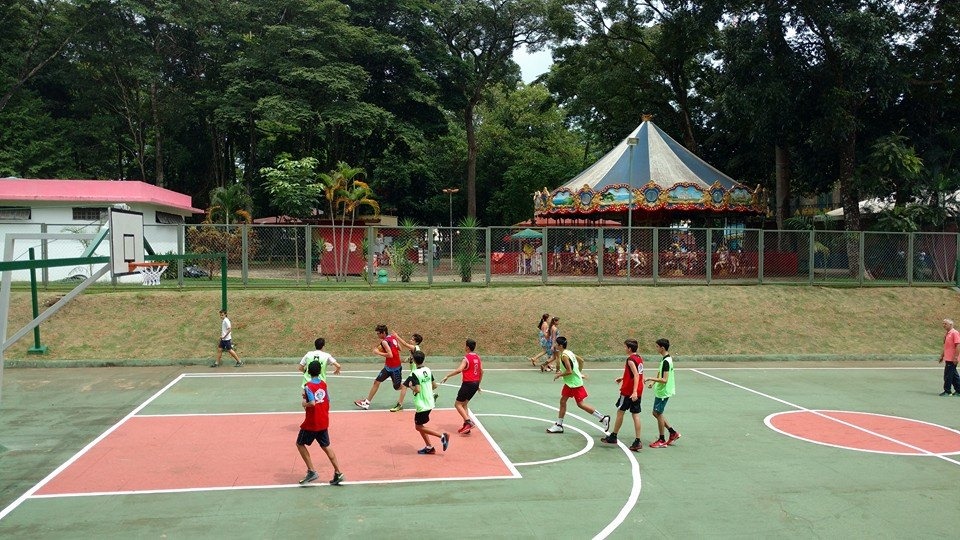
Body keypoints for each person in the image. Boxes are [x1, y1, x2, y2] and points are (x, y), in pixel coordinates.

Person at [545, 336, 610, 434]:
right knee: (563, 401)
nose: (554, 345)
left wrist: (559, 375)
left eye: (556, 344)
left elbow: (569, 371)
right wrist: (579, 373)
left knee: (580, 404)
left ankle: (603, 418)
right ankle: (559, 425)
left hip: (574, 384)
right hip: (570, 383)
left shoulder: (564, 356)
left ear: (560, 345)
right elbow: (581, 361)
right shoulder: (569, 352)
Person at [296, 360, 345, 485]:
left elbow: (312, 403)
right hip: (323, 420)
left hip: (312, 422)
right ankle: (338, 472)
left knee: (300, 444)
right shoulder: (323, 384)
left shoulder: (308, 386)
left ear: (308, 371)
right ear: (319, 371)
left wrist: (304, 403)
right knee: (326, 447)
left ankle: (311, 470)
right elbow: (326, 399)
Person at [601, 339, 644, 451]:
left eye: (625, 347)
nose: (624, 349)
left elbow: (636, 375)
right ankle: (638, 440)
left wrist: (633, 391)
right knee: (635, 414)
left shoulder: (630, 360)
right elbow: (635, 374)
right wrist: (623, 377)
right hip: (638, 390)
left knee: (620, 412)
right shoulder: (638, 358)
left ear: (629, 348)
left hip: (628, 392)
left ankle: (613, 436)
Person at [404, 350, 449, 454]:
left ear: (414, 361)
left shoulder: (415, 373)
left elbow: (418, 390)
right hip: (430, 401)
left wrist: (411, 386)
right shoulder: (428, 370)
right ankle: (429, 447)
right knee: (421, 426)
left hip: (422, 404)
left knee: (418, 427)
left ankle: (442, 436)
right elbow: (434, 386)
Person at [354, 324, 403, 410]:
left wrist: (378, 352)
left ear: (383, 333)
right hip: (388, 367)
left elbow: (390, 355)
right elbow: (400, 348)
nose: (377, 335)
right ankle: (367, 403)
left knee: (397, 387)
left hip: (395, 368)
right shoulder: (392, 337)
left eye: (378, 333)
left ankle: (412, 386)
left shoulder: (384, 342)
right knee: (377, 382)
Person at [441, 338, 483, 435]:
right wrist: (478, 385)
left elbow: (459, 370)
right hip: (475, 383)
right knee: (464, 404)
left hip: (468, 384)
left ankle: (468, 422)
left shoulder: (466, 358)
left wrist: (448, 375)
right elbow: (481, 371)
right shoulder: (477, 357)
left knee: (457, 404)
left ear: (467, 347)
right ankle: (466, 427)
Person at [646, 338, 680, 448]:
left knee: (657, 413)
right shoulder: (666, 358)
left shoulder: (666, 361)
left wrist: (650, 378)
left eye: (657, 346)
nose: (656, 348)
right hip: (661, 390)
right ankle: (673, 433)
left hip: (663, 392)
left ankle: (661, 439)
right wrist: (653, 382)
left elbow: (665, 379)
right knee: (656, 413)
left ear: (662, 348)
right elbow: (660, 372)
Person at [390, 332, 424, 412]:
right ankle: (432, 395)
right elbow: (412, 357)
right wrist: (407, 359)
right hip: (416, 371)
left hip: (415, 372)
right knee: (417, 386)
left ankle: (399, 404)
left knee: (404, 386)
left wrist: (397, 336)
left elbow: (404, 344)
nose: (410, 340)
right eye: (411, 339)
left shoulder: (414, 347)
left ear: (416, 342)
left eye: (412, 340)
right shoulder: (415, 349)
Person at [938, 319, 960, 396]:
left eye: (945, 324)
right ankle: (959, 390)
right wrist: (942, 356)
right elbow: (946, 346)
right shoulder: (947, 334)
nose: (944, 325)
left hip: (952, 358)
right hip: (948, 358)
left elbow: (958, 345)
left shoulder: (955, 333)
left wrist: (956, 357)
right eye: (943, 324)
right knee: (954, 375)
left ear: (951, 325)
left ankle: (947, 391)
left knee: (948, 375)